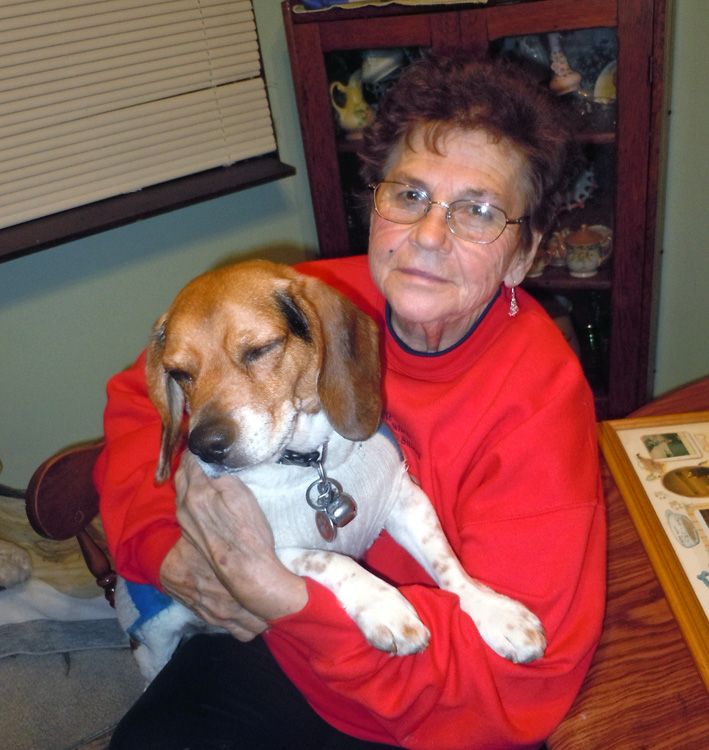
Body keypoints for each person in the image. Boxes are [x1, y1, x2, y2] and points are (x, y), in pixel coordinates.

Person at [96, 54, 605, 750]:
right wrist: (167, 554)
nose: (429, 236)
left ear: (521, 255)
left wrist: (293, 602)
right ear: (376, 206)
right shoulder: (304, 301)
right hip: (274, 637)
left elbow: (513, 683)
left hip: (421, 689)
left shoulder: (540, 399)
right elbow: (141, 397)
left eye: (478, 210)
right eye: (409, 195)